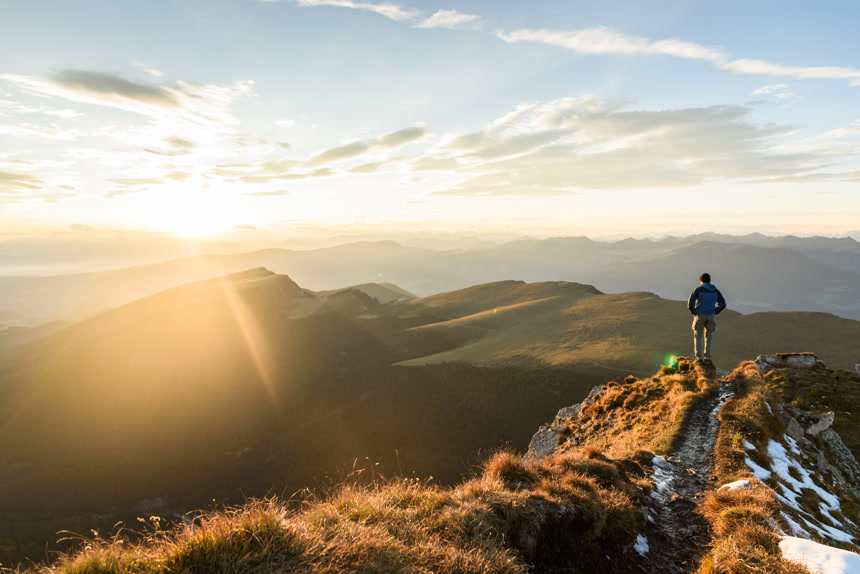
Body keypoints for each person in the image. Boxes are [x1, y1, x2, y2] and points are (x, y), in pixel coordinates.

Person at [687, 273, 726, 365]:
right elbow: (723, 304)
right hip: (711, 315)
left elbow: (690, 304)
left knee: (698, 336)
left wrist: (694, 312)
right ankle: (707, 358)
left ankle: (699, 358)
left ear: (701, 281)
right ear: (709, 280)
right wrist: (715, 311)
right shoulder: (715, 291)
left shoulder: (698, 290)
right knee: (709, 336)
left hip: (700, 315)